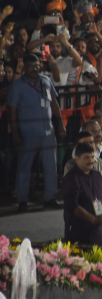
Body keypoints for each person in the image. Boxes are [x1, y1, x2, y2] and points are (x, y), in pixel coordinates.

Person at [8, 54, 66, 213]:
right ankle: (22, 200)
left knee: (50, 166)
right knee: (24, 167)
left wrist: (60, 122)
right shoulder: (17, 86)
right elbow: (12, 110)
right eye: (31, 66)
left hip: (48, 130)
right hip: (28, 132)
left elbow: (54, 102)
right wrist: (15, 133)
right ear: (25, 67)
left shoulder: (45, 81)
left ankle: (49, 197)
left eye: (37, 65)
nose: (35, 68)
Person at [61, 143, 102, 246]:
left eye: (92, 157)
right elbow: (73, 206)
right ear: (77, 159)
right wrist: (93, 219)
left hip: (100, 232)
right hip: (80, 234)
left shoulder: (97, 175)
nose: (91, 161)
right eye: (86, 157)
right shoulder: (71, 178)